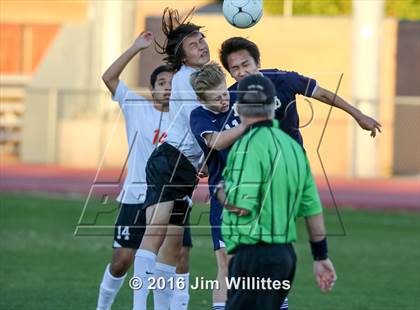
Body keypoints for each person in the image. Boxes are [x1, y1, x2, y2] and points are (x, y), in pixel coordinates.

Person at [216, 74, 337, 309]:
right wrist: (321, 257)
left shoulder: (245, 146)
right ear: (273, 107)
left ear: (239, 108)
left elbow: (242, 205)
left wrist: (221, 194)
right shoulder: (293, 148)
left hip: (253, 256)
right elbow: (312, 209)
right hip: (285, 257)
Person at [96, 31, 192, 310]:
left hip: (172, 194)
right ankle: (103, 306)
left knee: (180, 256)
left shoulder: (186, 114)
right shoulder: (137, 107)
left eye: (172, 83)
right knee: (122, 260)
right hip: (136, 196)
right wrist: (136, 47)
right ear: (152, 90)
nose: (168, 87)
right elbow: (109, 78)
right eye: (162, 83)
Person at [133, 8, 210, 310]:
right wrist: (209, 155)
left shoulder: (200, 76)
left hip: (184, 169)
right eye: (193, 44)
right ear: (183, 57)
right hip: (170, 161)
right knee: (155, 236)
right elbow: (199, 123)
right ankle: (139, 306)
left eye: (202, 39)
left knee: (173, 247)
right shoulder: (186, 80)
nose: (201, 45)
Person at [219, 36, 382, 146]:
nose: (242, 72)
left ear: (258, 63)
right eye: (235, 68)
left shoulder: (284, 79)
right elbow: (220, 134)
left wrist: (358, 115)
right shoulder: (229, 99)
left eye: (246, 64)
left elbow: (323, 94)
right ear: (231, 73)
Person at [189, 62, 248, 310]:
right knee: (226, 262)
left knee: (266, 262)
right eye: (216, 98)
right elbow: (217, 142)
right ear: (202, 99)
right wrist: (247, 124)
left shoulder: (240, 98)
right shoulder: (199, 116)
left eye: (225, 93)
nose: (224, 101)